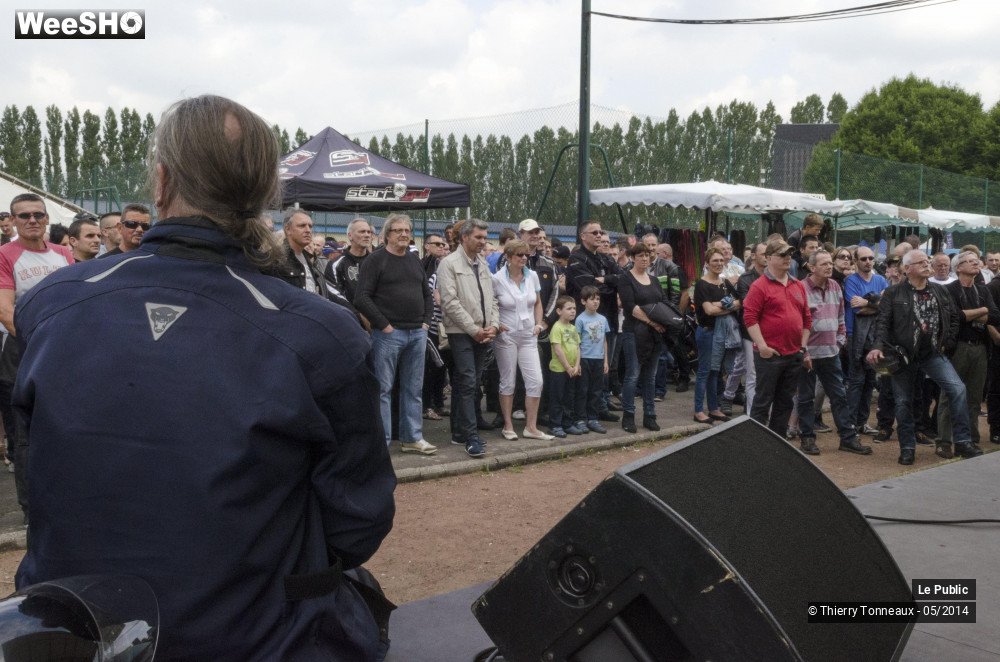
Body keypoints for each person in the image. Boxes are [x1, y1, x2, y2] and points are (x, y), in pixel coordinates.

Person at [13, 95, 397, 660]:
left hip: (68, 632)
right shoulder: (319, 333)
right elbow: (358, 522)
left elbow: (36, 477)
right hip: (256, 638)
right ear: (267, 194)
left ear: (161, 182)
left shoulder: (51, 304)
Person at [867, 250, 982, 465]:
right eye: (921, 262)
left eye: (927, 261)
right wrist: (876, 347)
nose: (927, 265)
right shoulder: (893, 293)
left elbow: (954, 317)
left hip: (932, 353)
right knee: (903, 402)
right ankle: (908, 447)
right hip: (903, 356)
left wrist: (947, 342)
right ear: (907, 268)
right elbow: (882, 323)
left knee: (958, 389)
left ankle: (964, 442)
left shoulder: (940, 290)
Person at [0, 193, 75, 521]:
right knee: (27, 431)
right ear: (14, 221)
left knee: (67, 425)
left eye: (38, 215)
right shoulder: (5, 255)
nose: (32, 220)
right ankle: (32, 510)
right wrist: (41, 340)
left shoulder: (64, 254)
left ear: (47, 219)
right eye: (24, 215)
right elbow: (5, 310)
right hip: (24, 350)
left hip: (65, 351)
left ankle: (70, 497)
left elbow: (76, 301)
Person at [354, 213, 437, 456]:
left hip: (417, 334)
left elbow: (427, 295)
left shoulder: (414, 260)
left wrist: (425, 322)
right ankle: (383, 441)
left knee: (413, 388)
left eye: (407, 230)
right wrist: (384, 325)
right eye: (398, 230)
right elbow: (361, 297)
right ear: (387, 234)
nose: (403, 234)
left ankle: (412, 437)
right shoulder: (375, 260)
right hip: (389, 335)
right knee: (383, 389)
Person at [795, 250, 873, 456]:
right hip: (808, 353)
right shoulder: (800, 288)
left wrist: (839, 341)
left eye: (830, 263)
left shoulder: (836, 286)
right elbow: (796, 323)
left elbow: (840, 316)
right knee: (805, 398)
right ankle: (807, 438)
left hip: (831, 352)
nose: (829, 267)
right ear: (812, 268)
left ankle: (848, 438)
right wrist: (802, 351)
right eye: (824, 264)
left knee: (839, 396)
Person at [437, 218, 500, 458]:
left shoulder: (483, 264)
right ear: (464, 237)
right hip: (461, 332)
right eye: (478, 237)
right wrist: (473, 328)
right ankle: (471, 436)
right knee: (467, 380)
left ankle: (459, 432)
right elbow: (449, 302)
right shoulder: (449, 263)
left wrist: (493, 325)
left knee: (468, 382)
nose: (483, 242)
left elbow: (492, 298)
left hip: (483, 333)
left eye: (485, 237)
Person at [743, 238, 812, 437]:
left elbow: (807, 318)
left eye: (789, 254)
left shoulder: (797, 285)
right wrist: (762, 346)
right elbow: (749, 318)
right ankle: (756, 442)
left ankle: (777, 443)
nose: (787, 258)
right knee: (763, 401)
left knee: (785, 401)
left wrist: (802, 347)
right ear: (769, 258)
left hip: (793, 354)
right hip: (770, 354)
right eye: (782, 254)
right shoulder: (759, 286)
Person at [937, 250, 999, 457]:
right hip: (958, 347)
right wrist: (982, 311)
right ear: (959, 267)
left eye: (976, 260)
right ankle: (944, 441)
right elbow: (954, 315)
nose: (976, 263)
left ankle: (969, 440)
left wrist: (973, 314)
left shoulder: (983, 290)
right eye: (970, 261)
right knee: (950, 394)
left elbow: (995, 316)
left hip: (980, 347)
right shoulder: (949, 290)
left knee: (974, 397)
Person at [491, 240, 553, 441]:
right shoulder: (497, 279)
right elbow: (492, 305)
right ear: (508, 257)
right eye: (519, 255)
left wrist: (539, 323)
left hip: (528, 335)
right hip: (507, 336)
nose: (524, 258)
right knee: (508, 381)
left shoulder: (532, 276)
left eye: (526, 255)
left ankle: (531, 427)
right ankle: (508, 425)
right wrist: (497, 323)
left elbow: (538, 302)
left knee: (536, 380)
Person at [616, 244, 668, 433]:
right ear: (632, 257)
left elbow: (662, 302)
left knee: (650, 376)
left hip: (654, 335)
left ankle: (650, 415)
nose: (644, 259)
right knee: (632, 375)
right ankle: (628, 415)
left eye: (647, 255)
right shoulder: (625, 278)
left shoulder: (654, 280)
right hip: (633, 333)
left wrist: (663, 323)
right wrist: (653, 323)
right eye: (640, 255)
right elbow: (631, 307)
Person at [693, 246, 741, 424]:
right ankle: (698, 410)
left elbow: (739, 302)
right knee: (704, 371)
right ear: (707, 263)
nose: (719, 263)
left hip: (724, 334)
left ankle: (713, 408)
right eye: (715, 260)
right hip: (707, 333)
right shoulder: (701, 284)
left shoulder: (725, 283)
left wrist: (719, 305)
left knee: (716, 372)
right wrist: (726, 306)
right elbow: (709, 311)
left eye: (721, 260)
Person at [844, 245, 888, 436]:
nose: (868, 262)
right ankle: (850, 423)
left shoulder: (880, 279)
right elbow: (858, 310)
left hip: (876, 336)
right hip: (856, 335)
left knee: (870, 380)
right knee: (856, 381)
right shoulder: (850, 280)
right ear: (855, 261)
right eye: (863, 259)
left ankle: (862, 422)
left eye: (871, 258)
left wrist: (868, 301)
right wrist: (876, 304)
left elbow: (888, 307)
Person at [575, 285, 611, 434]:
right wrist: (577, 363)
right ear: (583, 301)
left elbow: (604, 341)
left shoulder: (602, 319)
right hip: (584, 358)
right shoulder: (580, 319)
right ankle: (580, 418)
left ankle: (593, 418)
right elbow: (577, 342)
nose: (595, 302)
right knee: (583, 390)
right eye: (592, 299)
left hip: (598, 359)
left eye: (597, 299)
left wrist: (605, 361)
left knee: (596, 390)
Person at [548, 296, 585, 437]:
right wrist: (568, 367)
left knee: (569, 397)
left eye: (574, 308)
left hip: (572, 370)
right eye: (569, 308)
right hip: (559, 370)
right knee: (558, 398)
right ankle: (555, 425)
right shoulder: (557, 328)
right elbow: (558, 350)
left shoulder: (573, 328)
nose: (573, 311)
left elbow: (577, 347)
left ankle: (567, 423)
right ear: (558, 311)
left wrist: (576, 365)